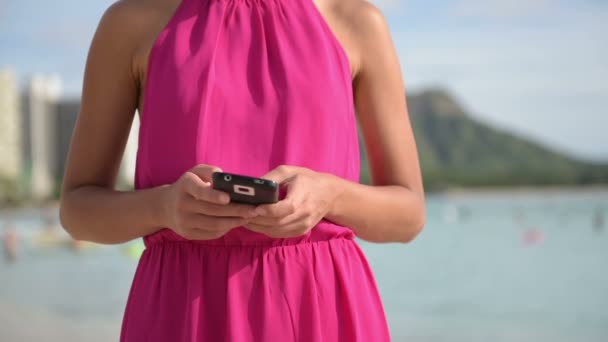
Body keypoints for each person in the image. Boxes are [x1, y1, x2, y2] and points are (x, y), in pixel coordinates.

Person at [59, 0, 425, 340]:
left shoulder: (357, 21)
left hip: (321, 309)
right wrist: (164, 208)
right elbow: (77, 210)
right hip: (183, 313)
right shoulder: (131, 22)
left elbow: (408, 214)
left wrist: (331, 195)